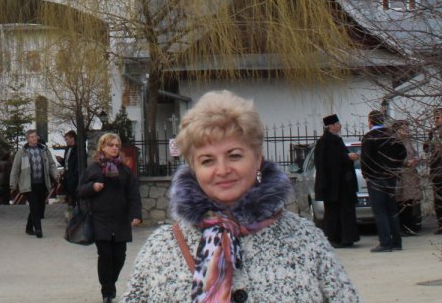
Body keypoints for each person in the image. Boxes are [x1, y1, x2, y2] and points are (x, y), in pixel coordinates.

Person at [124, 91, 358, 302]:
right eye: (207, 160)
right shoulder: (161, 248)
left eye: (234, 155)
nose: (222, 169)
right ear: (193, 169)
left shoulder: (306, 241)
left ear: (257, 159)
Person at [78, 133, 142, 303]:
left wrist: (136, 215)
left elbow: (133, 194)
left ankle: (109, 283)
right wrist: (93, 187)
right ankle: (107, 292)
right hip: (100, 218)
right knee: (105, 255)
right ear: (102, 147)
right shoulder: (93, 169)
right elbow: (80, 191)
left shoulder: (124, 170)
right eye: (111, 145)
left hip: (120, 219)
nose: (114, 148)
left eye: (116, 145)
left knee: (120, 257)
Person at [360, 109, 406, 253]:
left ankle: (385, 242)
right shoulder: (392, 136)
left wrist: (366, 173)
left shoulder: (370, 137)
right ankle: (397, 242)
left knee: (380, 212)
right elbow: (402, 153)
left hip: (376, 178)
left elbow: (365, 159)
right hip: (390, 177)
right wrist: (395, 167)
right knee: (392, 210)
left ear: (370, 121)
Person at [313, 113, 360, 248]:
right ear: (332, 126)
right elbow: (326, 163)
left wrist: (347, 158)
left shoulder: (336, 140)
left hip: (343, 185)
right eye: (338, 123)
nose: (340, 125)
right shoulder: (324, 142)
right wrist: (346, 157)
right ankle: (334, 238)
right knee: (333, 213)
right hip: (333, 186)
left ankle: (347, 237)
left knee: (345, 211)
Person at [9, 130, 59, 237]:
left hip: (41, 183)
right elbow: (15, 169)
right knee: (34, 206)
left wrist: (56, 174)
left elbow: (51, 164)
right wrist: (13, 184)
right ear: (27, 139)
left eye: (35, 136)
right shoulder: (22, 152)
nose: (34, 138)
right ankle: (38, 230)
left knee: (40, 206)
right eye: (31, 137)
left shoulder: (44, 150)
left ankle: (28, 227)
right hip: (29, 184)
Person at [392, 120, 423, 235]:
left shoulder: (409, 141)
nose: (407, 131)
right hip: (400, 175)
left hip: (411, 175)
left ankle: (411, 226)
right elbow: (394, 158)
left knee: (411, 202)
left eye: (407, 129)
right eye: (404, 129)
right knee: (400, 202)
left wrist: (416, 160)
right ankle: (402, 227)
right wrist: (405, 163)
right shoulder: (394, 142)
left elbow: (417, 154)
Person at [62, 130, 84, 206]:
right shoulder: (67, 148)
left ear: (72, 138)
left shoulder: (78, 149)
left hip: (74, 175)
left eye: (67, 139)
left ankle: (76, 209)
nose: (66, 141)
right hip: (67, 174)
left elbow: (79, 162)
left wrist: (75, 174)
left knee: (74, 194)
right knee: (69, 193)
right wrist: (61, 161)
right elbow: (67, 161)